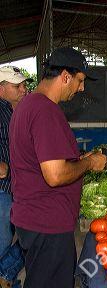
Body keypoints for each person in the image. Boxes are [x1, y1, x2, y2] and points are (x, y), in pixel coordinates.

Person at [9, 47, 107, 288]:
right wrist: (89, 162)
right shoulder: (45, 111)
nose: (81, 88)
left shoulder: (27, 105)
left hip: (34, 218)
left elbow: (40, 161)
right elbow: (54, 175)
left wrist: (77, 159)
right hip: (48, 224)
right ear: (65, 76)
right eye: (80, 80)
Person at [0, 66, 32, 288]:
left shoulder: (17, 110)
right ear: (1, 89)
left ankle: (5, 274)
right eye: (16, 86)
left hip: (17, 187)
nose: (23, 89)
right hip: (2, 189)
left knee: (30, 236)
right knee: (3, 241)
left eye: (23, 85)